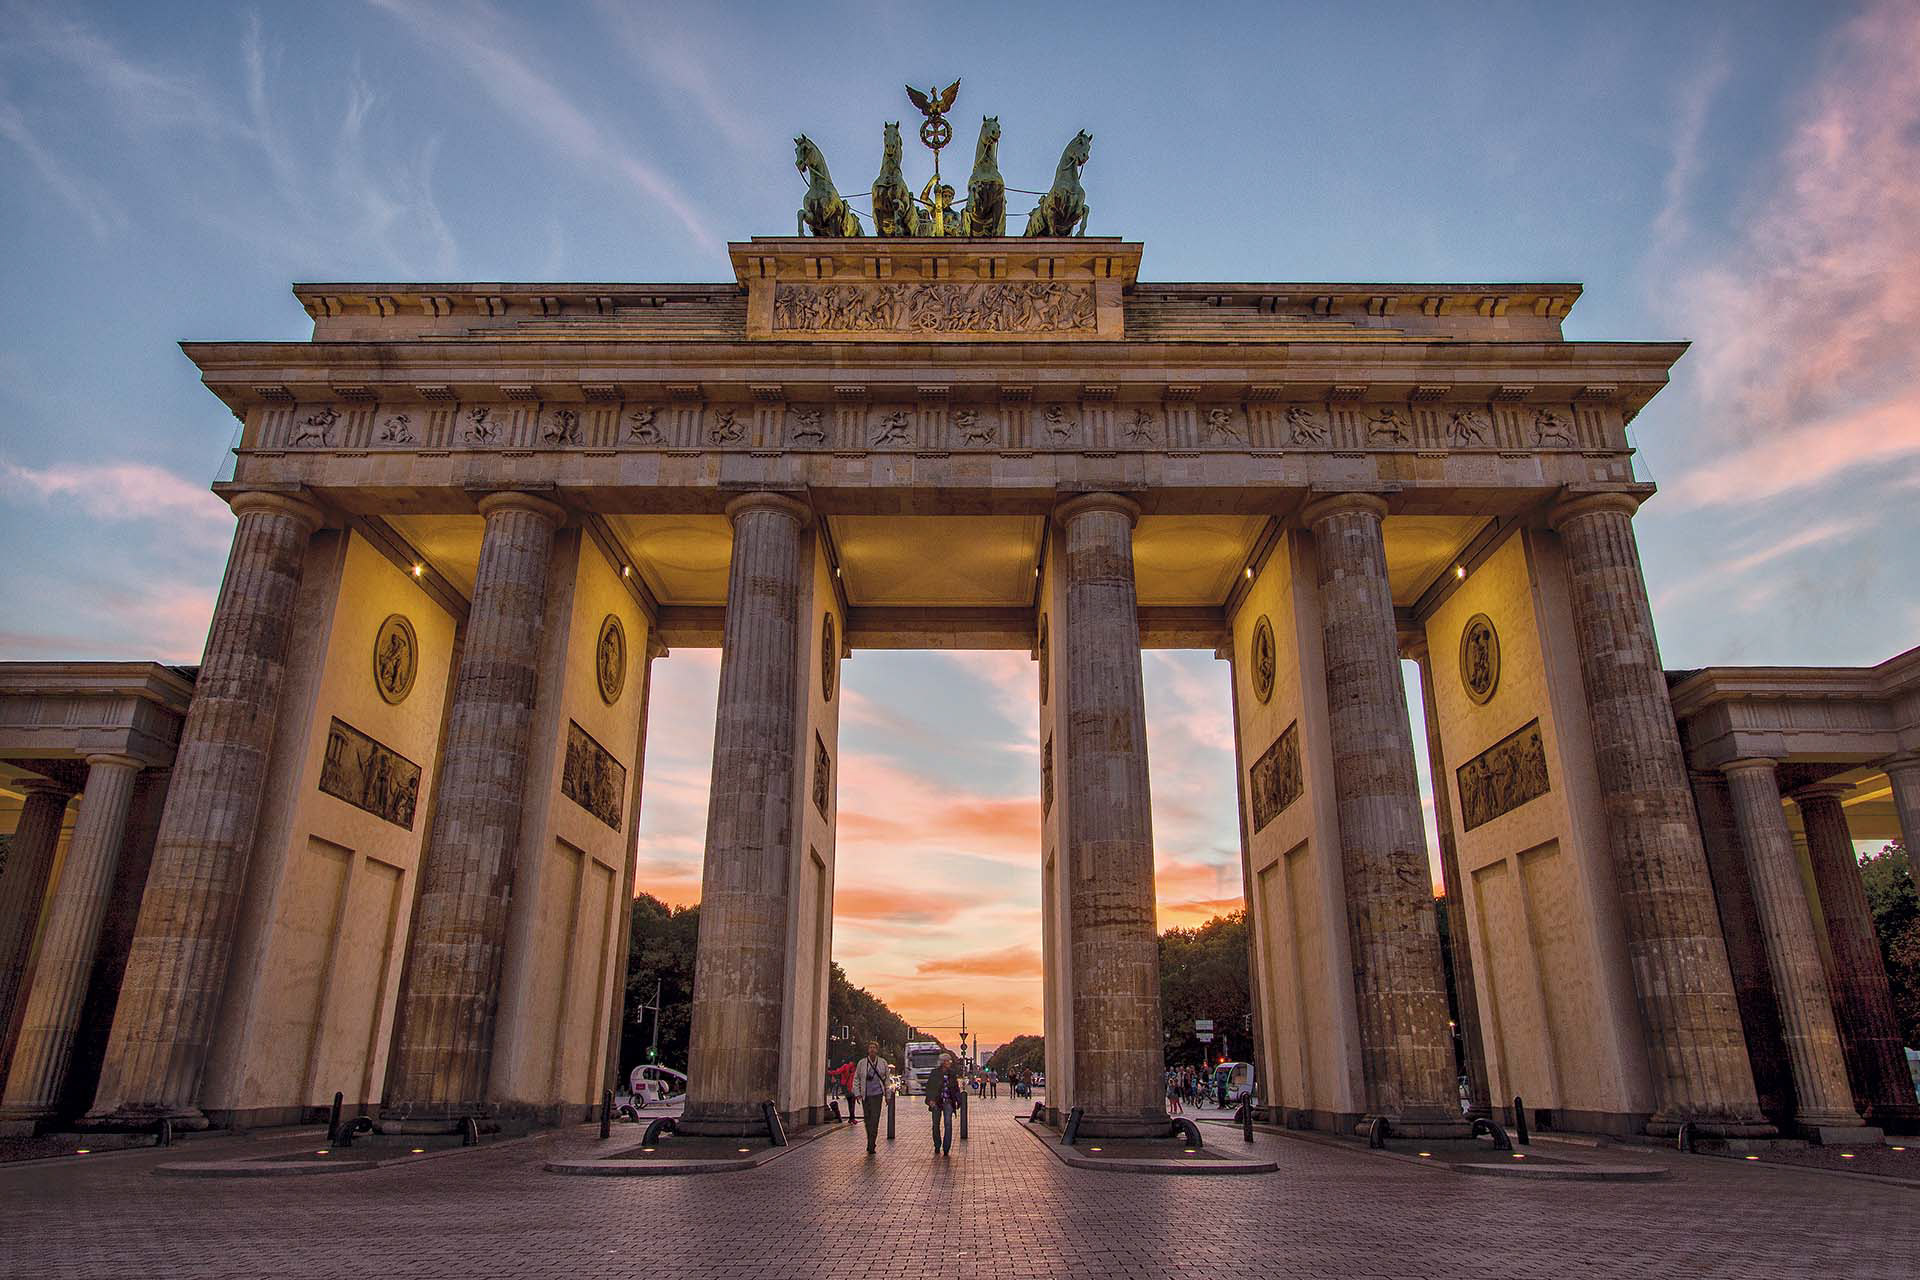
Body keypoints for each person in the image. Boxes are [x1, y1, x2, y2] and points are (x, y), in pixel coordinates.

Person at [852, 1041, 891, 1155]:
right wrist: (857, 1093)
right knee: (867, 1120)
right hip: (866, 1096)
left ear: (877, 1050)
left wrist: (887, 1095)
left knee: (875, 1119)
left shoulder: (882, 1063)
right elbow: (856, 1078)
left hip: (877, 1095)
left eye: (874, 1047)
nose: (872, 1049)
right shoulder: (862, 1063)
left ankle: (871, 1143)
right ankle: (870, 1140)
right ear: (868, 1050)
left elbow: (887, 1080)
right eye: (870, 1047)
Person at [926, 1051, 961, 1156]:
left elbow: (955, 1088)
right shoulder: (935, 1073)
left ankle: (946, 1147)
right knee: (935, 1125)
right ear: (943, 1062)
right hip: (936, 1102)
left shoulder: (952, 1073)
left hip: (948, 1101)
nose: (950, 1062)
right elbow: (929, 1087)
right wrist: (930, 1100)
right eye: (948, 1061)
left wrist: (958, 1100)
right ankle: (937, 1145)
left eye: (950, 1061)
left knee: (948, 1124)